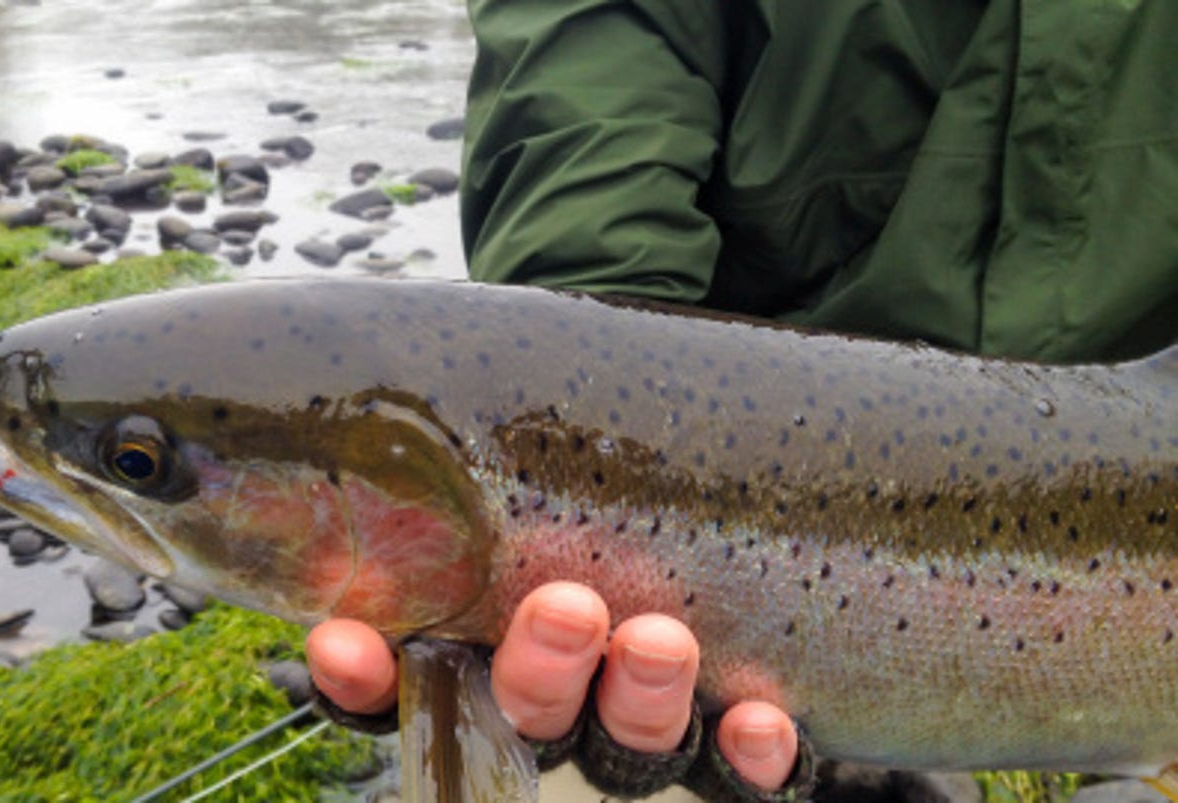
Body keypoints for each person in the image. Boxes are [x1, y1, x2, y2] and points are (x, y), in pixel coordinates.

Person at [310, 0, 1178, 799]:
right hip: (715, 474)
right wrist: (589, 488)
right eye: (162, 467)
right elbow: (586, 190)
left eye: (161, 467)